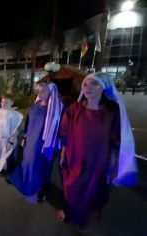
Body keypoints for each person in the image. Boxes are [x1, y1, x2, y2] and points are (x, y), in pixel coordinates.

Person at [58, 72, 137, 230]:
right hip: (75, 159)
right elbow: (65, 132)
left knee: (94, 193)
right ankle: (68, 212)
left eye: (94, 84)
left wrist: (114, 165)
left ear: (104, 88)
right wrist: (62, 153)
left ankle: (86, 219)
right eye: (85, 84)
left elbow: (115, 140)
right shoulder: (74, 109)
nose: (88, 88)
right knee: (71, 188)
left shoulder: (111, 113)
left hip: (98, 162)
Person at [9, 82, 63, 203]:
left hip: (44, 145)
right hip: (30, 142)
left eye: (43, 91)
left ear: (51, 93)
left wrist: (57, 146)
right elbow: (28, 123)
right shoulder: (34, 106)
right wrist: (24, 138)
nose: (39, 93)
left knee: (41, 167)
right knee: (27, 162)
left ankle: (41, 189)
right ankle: (28, 184)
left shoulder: (56, 109)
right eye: (39, 90)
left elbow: (59, 129)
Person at [0, 93, 23, 179]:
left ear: (12, 103)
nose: (4, 103)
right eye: (2, 101)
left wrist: (11, 140)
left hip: (8, 140)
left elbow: (16, 129)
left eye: (6, 102)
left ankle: (10, 173)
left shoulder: (13, 114)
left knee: (8, 157)